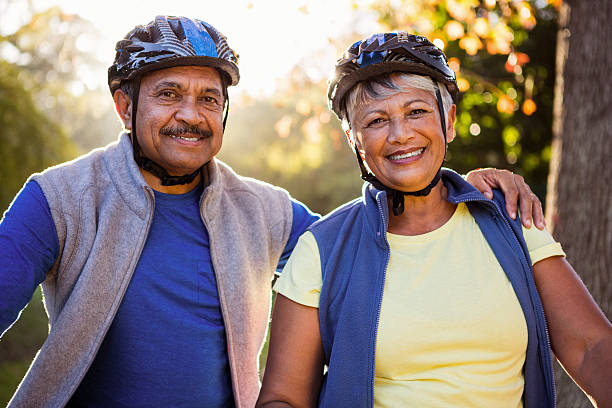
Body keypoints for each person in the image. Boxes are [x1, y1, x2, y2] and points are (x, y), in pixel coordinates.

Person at [0, 18, 544, 408]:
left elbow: (371, 238)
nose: (190, 115)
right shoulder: (61, 197)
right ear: (125, 106)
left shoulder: (264, 210)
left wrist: (458, 190)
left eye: (209, 99)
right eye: (169, 94)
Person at [257, 32, 612, 408]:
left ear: (450, 119)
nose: (400, 134)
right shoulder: (321, 249)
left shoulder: (510, 220)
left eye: (416, 111)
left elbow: (592, 347)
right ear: (354, 140)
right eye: (376, 120)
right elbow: (283, 398)